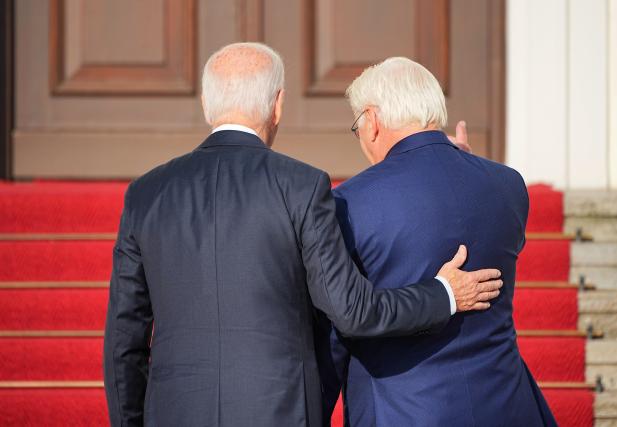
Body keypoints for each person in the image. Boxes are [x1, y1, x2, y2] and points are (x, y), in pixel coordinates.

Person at [102, 43, 503, 427]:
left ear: (207, 105)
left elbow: (124, 339)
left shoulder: (146, 194)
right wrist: (445, 293)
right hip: (281, 411)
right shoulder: (303, 187)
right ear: (278, 105)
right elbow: (354, 312)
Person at [322, 57, 557, 426]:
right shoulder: (508, 185)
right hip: (506, 403)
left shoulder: (348, 203)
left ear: (373, 120)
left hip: (402, 411)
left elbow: (340, 326)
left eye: (357, 126)